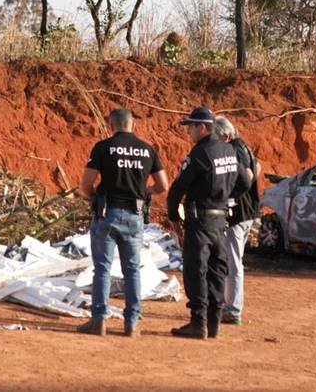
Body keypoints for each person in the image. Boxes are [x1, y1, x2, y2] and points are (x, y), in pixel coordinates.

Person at [76, 108, 169, 337]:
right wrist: (146, 191)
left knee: (103, 269)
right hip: (134, 216)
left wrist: (93, 198)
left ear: (111, 125)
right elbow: (163, 185)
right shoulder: (148, 150)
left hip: (107, 214)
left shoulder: (103, 147)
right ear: (132, 125)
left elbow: (85, 184)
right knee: (132, 271)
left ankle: (99, 321)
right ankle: (132, 323)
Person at [167, 106, 251, 339]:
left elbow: (177, 189)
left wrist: (174, 215)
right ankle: (214, 323)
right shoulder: (229, 150)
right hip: (220, 220)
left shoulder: (200, 153)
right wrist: (226, 198)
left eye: (191, 127)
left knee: (197, 270)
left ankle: (198, 323)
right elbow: (245, 182)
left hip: (200, 220)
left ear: (202, 127)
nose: (188, 132)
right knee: (217, 271)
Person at [214, 116, 258, 326]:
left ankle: (233, 309)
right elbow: (257, 169)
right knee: (232, 260)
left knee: (233, 262)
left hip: (238, 213)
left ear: (224, 135)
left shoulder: (234, 148)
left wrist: (231, 197)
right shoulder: (243, 146)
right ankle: (229, 305)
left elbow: (248, 175)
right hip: (247, 212)